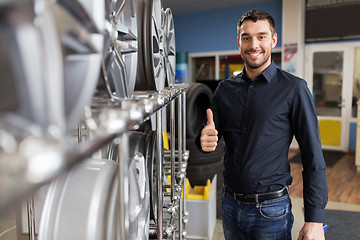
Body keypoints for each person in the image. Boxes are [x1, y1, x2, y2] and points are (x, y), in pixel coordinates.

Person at [195, 8, 328, 240]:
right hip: (229, 205)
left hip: (271, 211)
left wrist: (314, 220)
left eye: (261, 36)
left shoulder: (294, 89)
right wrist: (202, 139)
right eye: (246, 37)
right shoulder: (225, 90)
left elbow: (313, 155)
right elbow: (208, 133)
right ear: (239, 42)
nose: (253, 44)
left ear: (273, 39)